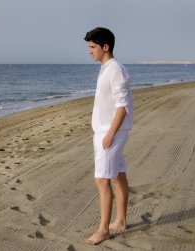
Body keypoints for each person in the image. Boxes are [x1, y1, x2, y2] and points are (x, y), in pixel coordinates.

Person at [84, 27, 133, 245]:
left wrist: (109, 134)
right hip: (105, 131)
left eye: (93, 47)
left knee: (101, 179)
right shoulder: (106, 67)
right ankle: (120, 221)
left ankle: (104, 229)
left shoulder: (115, 70)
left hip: (110, 133)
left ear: (105, 47)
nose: (89, 51)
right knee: (117, 175)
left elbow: (123, 107)